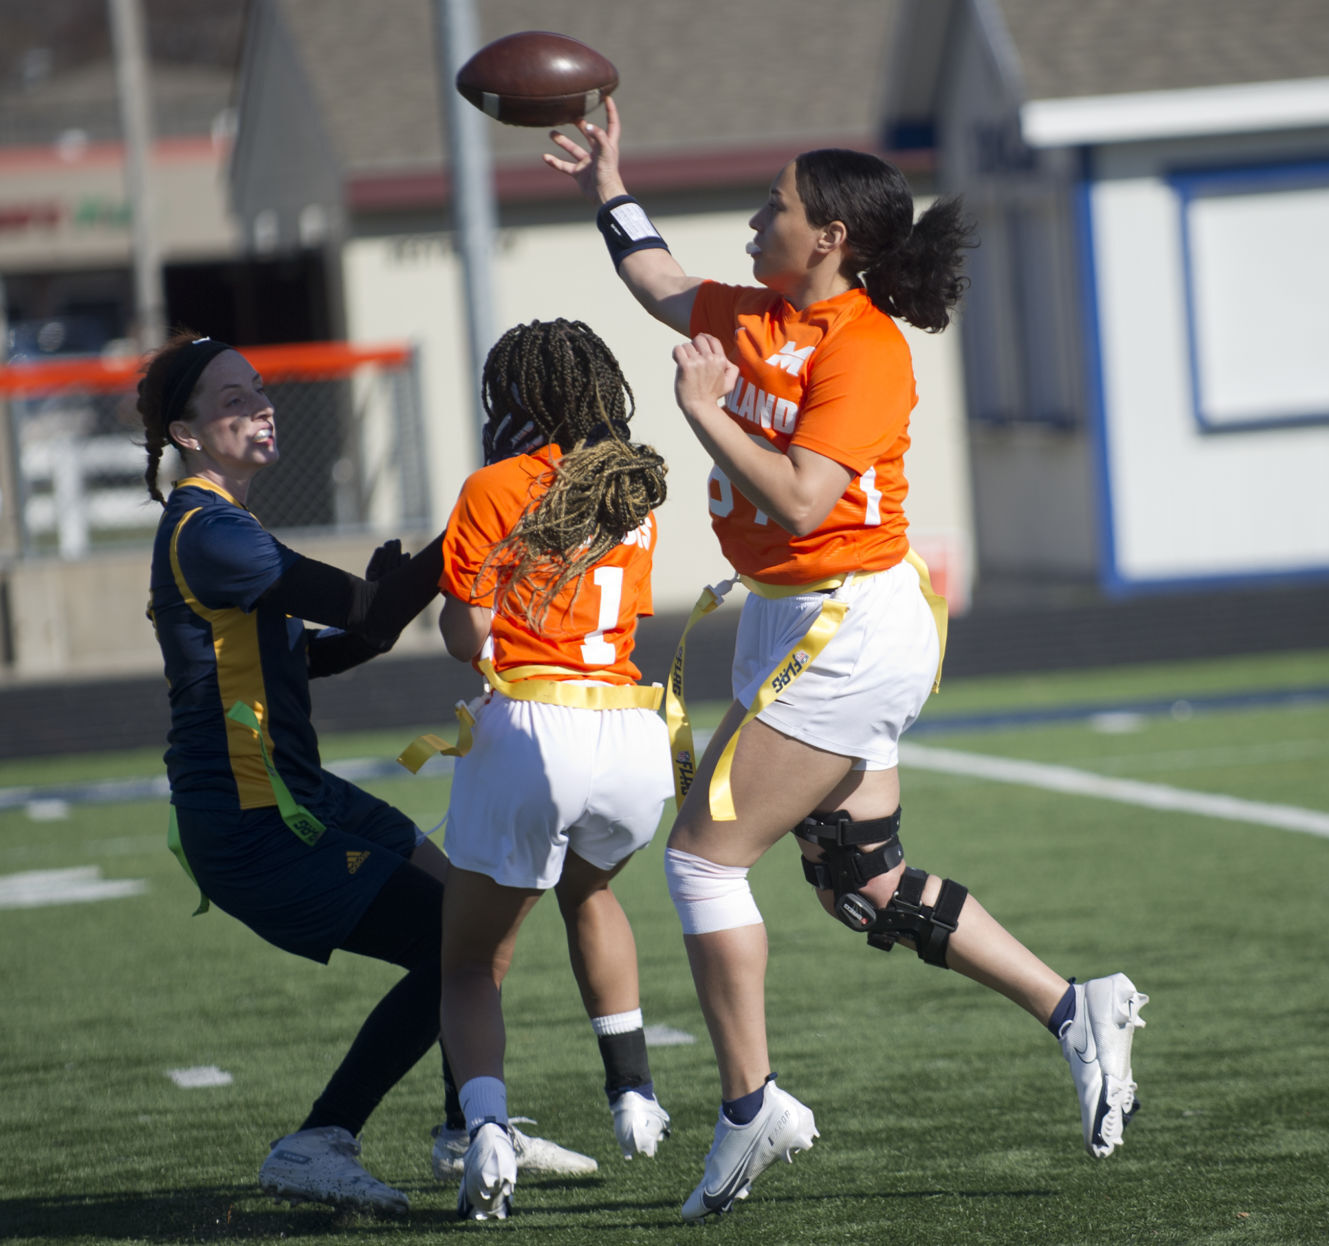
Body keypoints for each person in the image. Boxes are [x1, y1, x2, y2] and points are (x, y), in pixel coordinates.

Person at [548, 102, 1149, 1221]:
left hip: (848, 627)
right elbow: (655, 277)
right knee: (861, 883)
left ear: (829, 236)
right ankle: (1077, 1008)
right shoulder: (755, 311)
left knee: (701, 864)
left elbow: (800, 496)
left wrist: (703, 412)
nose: (753, 220)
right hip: (799, 619)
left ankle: (750, 1106)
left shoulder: (865, 348)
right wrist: (608, 187)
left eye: (773, 206)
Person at [138, 330, 595, 1217]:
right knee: (451, 944)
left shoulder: (226, 524)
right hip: (254, 820)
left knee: (471, 920)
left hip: (298, 795)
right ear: (186, 435)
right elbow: (366, 605)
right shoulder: (208, 530)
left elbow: (337, 644)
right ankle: (319, 1139)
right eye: (232, 400)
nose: (259, 407)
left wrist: (387, 612)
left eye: (258, 389)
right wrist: (489, 501)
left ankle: (468, 1127)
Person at [423, 319, 675, 1221]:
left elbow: (466, 637)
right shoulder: (631, 489)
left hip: (534, 725)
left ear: (517, 397)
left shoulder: (495, 485)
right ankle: (635, 1094)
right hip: (630, 731)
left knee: (468, 964)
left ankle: (485, 1131)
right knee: (591, 893)